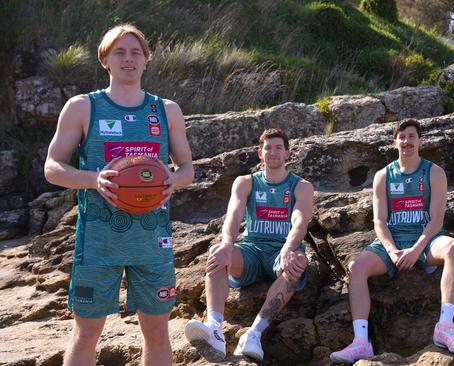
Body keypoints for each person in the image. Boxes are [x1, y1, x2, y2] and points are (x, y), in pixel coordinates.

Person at [44, 24, 194, 366]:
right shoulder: (83, 107)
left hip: (153, 241)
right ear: (105, 60)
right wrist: (94, 178)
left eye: (136, 52)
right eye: (120, 52)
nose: (129, 59)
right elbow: (52, 167)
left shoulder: (166, 110)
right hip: (98, 241)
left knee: (157, 332)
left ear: (146, 61)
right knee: (86, 333)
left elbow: (187, 168)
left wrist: (174, 180)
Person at [330, 119, 454, 364]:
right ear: (394, 141)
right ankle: (361, 342)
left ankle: (445, 327)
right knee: (357, 267)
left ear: (420, 141)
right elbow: (380, 222)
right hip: (392, 242)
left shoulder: (434, 172)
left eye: (412, 136)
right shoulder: (383, 176)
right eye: (402, 136)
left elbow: (437, 220)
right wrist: (392, 251)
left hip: (426, 241)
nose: (407, 141)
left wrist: (417, 250)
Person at [184, 128, 314, 362]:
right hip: (251, 250)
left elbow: (299, 221)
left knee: (297, 264)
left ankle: (253, 334)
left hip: (281, 249)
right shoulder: (246, 182)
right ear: (260, 153)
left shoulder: (301, 186)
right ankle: (214, 329)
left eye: (278, 148)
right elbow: (233, 217)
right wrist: (226, 244)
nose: (272, 152)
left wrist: (288, 248)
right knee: (217, 254)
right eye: (268, 148)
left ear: (288, 154)